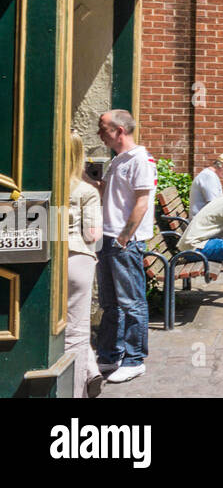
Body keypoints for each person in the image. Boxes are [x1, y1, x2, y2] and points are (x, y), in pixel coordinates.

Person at [92, 109, 155, 385]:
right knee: (110, 302)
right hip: (108, 238)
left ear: (119, 130)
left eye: (102, 128)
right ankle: (110, 354)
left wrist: (124, 237)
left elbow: (143, 200)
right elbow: (111, 194)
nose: (99, 133)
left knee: (131, 301)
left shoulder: (140, 159)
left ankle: (134, 359)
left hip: (123, 242)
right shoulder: (119, 159)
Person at [66, 132, 103, 398]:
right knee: (76, 331)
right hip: (77, 259)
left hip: (47, 260)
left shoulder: (42, 186)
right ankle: (78, 389)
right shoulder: (85, 190)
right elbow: (92, 235)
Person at [190, 152, 223, 216]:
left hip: (206, 219)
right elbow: (215, 206)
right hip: (203, 223)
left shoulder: (211, 176)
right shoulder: (209, 177)